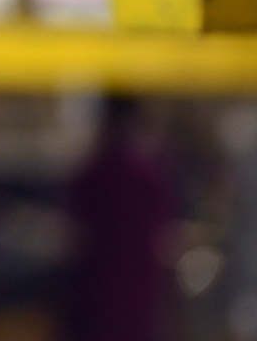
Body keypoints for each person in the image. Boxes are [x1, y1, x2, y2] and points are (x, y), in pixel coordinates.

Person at [63, 97, 176, 341]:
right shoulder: (150, 175)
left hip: (100, 296)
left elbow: (74, 237)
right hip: (137, 294)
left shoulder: (95, 174)